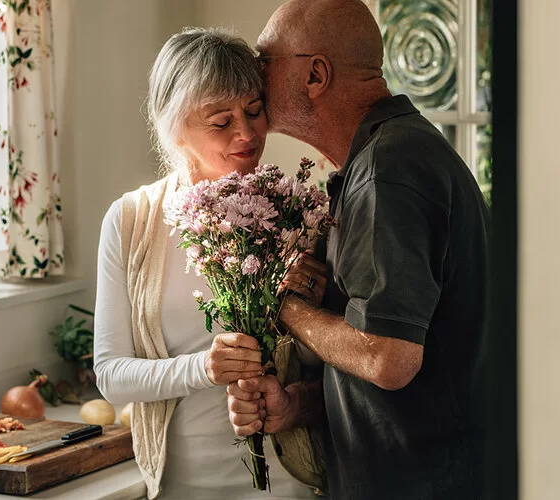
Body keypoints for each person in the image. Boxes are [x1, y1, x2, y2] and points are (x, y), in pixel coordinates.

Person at [227, 0, 490, 498]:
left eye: (265, 61)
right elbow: (393, 370)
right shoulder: (383, 159)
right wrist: (295, 405)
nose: (254, 76)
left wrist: (285, 307)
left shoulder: (389, 169)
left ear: (316, 74)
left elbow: (388, 360)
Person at [93, 27, 320, 499]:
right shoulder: (133, 222)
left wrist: (308, 307)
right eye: (221, 121)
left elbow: (340, 367)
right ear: (175, 128)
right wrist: (204, 368)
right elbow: (112, 376)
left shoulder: (299, 217)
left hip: (292, 483)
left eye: (255, 111)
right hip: (184, 485)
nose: (247, 133)